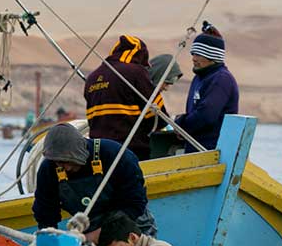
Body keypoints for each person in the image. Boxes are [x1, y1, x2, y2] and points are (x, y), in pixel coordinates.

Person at [32, 123, 156, 239]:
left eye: (70, 161)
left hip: (131, 224)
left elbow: (134, 203)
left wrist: (98, 236)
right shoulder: (48, 169)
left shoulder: (116, 156)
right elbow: (45, 212)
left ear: (81, 150)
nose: (67, 168)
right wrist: (48, 240)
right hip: (91, 228)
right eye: (60, 162)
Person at [84, 35, 163, 161]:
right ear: (140, 56)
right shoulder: (135, 72)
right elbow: (157, 115)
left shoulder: (92, 78)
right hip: (131, 149)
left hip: (99, 151)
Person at [173, 22, 238, 152]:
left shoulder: (221, 79)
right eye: (193, 54)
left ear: (212, 56)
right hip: (195, 148)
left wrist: (181, 124)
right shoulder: (199, 77)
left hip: (212, 150)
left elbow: (206, 115)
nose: (193, 58)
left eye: (198, 54)